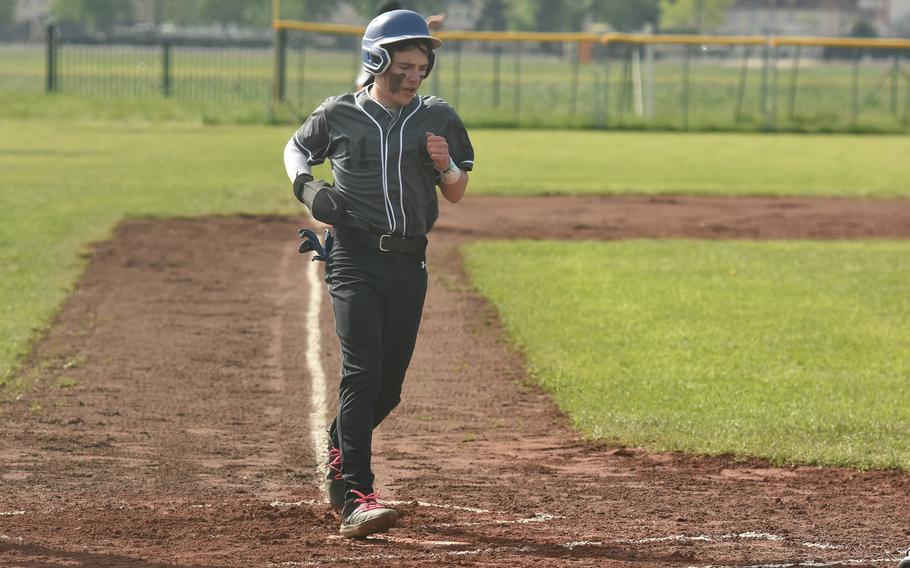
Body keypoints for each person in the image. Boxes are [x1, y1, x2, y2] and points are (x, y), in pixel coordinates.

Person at [282, 9, 473, 539]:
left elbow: (456, 192)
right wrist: (308, 188)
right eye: (404, 66)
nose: (415, 76)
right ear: (376, 61)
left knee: (386, 389)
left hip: (410, 261)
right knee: (361, 374)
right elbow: (296, 148)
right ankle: (356, 497)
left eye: (422, 68)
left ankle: (339, 450)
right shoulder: (340, 112)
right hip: (353, 258)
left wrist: (445, 166)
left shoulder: (439, 118)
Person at [355, 1, 445, 90]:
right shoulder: (379, 50)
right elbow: (361, 84)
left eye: (422, 68)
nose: (415, 78)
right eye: (405, 66)